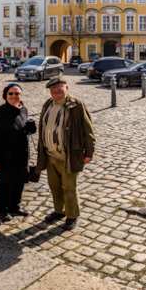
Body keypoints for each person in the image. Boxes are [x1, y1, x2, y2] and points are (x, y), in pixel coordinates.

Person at [36, 76, 95, 227]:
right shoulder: (48, 104)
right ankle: (59, 211)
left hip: (68, 155)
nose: (56, 92)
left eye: (59, 89)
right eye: (53, 90)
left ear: (66, 88)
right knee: (54, 186)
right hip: (50, 155)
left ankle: (72, 215)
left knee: (69, 188)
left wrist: (89, 152)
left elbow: (88, 130)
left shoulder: (76, 105)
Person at [0, 83, 36, 218]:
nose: (14, 96)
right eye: (11, 93)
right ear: (5, 96)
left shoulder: (23, 109)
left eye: (17, 93)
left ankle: (15, 207)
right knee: (3, 183)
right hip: (4, 155)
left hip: (21, 154)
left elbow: (23, 129)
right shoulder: (0, 112)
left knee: (19, 182)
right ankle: (1, 209)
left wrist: (31, 128)